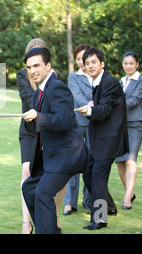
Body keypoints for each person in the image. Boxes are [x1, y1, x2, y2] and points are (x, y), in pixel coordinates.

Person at [21, 47, 88, 234]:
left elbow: (65, 119)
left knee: (42, 192)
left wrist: (38, 117)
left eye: (36, 65)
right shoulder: (38, 93)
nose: (32, 70)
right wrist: (31, 121)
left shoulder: (57, 87)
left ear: (48, 66)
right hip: (51, 157)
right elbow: (38, 126)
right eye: (29, 67)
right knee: (29, 188)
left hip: (67, 154)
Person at [79, 48, 129, 230]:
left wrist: (90, 110)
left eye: (93, 62)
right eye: (87, 63)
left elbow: (105, 109)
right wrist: (92, 107)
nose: (90, 66)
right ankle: (110, 207)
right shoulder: (97, 82)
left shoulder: (109, 83)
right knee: (88, 173)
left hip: (109, 138)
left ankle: (99, 219)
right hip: (100, 138)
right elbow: (102, 107)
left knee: (98, 177)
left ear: (102, 63)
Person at [16, 38, 47, 234]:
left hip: (46, 130)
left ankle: (50, 219)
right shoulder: (22, 75)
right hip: (28, 131)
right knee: (27, 171)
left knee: (46, 175)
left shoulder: (53, 75)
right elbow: (29, 100)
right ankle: (26, 223)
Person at [115, 52, 142, 210]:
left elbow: (134, 100)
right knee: (120, 161)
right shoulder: (120, 82)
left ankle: (127, 197)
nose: (128, 66)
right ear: (122, 64)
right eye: (125, 63)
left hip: (135, 124)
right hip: (120, 125)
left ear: (137, 64)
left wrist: (116, 105)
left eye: (131, 63)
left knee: (130, 160)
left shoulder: (141, 80)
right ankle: (130, 192)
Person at [63, 44, 92, 215]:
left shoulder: (98, 77)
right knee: (73, 164)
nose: (82, 62)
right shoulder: (73, 77)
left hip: (94, 125)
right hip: (76, 124)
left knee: (91, 163)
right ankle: (69, 203)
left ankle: (89, 201)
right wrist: (90, 104)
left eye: (84, 58)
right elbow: (77, 96)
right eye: (79, 59)